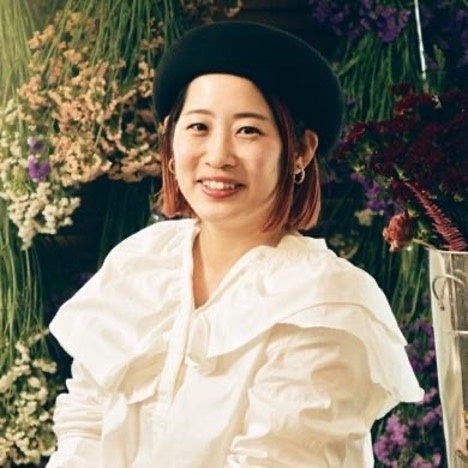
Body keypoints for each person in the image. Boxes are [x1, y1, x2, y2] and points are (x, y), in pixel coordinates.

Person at [47, 21, 423, 467]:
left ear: (300, 151)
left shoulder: (325, 302)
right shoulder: (141, 262)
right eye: (198, 127)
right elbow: (85, 423)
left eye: (248, 131)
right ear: (170, 142)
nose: (218, 155)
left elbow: (277, 459)